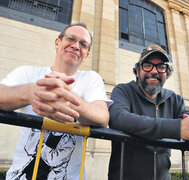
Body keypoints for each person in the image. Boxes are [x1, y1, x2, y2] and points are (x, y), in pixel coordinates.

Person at [0, 23, 112, 180]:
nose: (75, 46)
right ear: (57, 42)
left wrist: (68, 100)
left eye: (83, 44)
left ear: (86, 54)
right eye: (71, 38)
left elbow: (102, 116)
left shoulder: (91, 79)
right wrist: (32, 93)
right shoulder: (27, 73)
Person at [108, 44, 189, 180]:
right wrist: (176, 128)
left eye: (161, 66)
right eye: (147, 65)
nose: (154, 71)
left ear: (166, 73)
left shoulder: (175, 100)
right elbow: (118, 118)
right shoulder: (123, 91)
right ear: (137, 71)